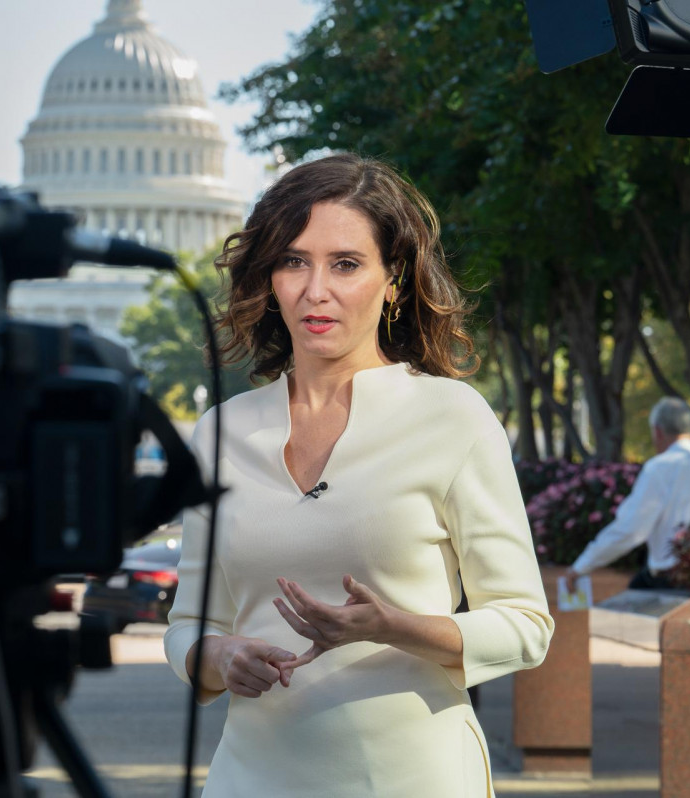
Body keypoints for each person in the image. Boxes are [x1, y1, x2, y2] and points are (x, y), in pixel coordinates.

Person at [163, 153, 553, 797]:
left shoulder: (454, 417)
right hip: (252, 779)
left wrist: (391, 626)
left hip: (416, 779)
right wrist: (220, 656)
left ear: (393, 278)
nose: (316, 290)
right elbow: (188, 625)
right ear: (269, 277)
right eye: (294, 261)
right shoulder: (221, 431)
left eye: (345, 263)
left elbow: (524, 627)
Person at [565, 397, 690, 589]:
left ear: (658, 431)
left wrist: (581, 567)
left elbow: (630, 530)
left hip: (672, 579)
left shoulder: (658, 468)